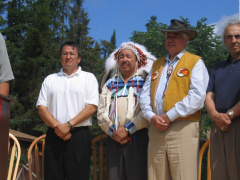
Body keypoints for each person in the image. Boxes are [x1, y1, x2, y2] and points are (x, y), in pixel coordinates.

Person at [140, 19, 209, 180]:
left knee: (183, 176)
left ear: (186, 40)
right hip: (156, 129)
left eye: (175, 36)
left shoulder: (195, 62)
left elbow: (198, 97)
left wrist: (169, 116)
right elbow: (144, 96)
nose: (169, 40)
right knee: (156, 176)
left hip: (182, 127)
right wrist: (151, 117)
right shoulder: (156, 64)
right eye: (167, 36)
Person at [36, 41, 99, 180]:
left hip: (79, 136)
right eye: (65, 53)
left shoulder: (89, 78)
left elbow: (91, 107)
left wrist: (68, 125)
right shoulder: (50, 79)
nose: (68, 56)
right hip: (54, 134)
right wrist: (59, 127)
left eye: (72, 54)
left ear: (79, 58)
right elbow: (41, 108)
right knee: (52, 175)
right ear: (60, 57)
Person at [97, 41, 156, 180]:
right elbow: (100, 113)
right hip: (114, 138)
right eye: (121, 57)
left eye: (129, 56)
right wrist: (113, 132)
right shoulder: (110, 84)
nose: (124, 60)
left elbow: (148, 109)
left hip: (138, 137)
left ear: (137, 60)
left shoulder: (145, 82)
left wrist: (128, 129)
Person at [205, 20, 240, 180]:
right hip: (218, 125)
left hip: (236, 123)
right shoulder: (218, 67)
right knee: (219, 172)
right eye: (229, 36)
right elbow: (209, 95)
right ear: (224, 40)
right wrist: (215, 115)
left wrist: (230, 115)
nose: (234, 40)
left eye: (238, 36)